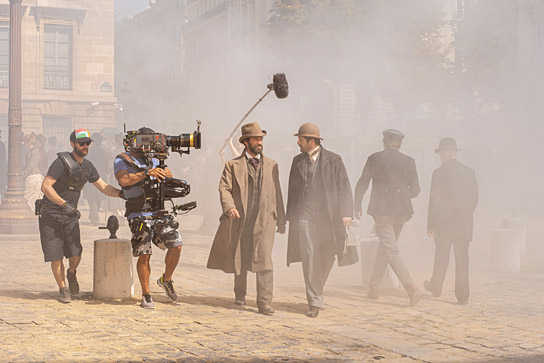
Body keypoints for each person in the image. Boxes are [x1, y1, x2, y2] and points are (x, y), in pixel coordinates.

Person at [207, 122, 286, 315]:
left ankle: (265, 302)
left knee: (264, 258)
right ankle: (240, 293)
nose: (260, 142)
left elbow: (278, 193)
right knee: (240, 255)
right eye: (256, 139)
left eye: (261, 139)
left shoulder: (272, 165)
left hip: (266, 219)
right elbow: (224, 188)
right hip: (241, 218)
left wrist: (281, 219)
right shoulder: (232, 166)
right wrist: (230, 207)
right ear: (246, 142)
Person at [39, 129, 123, 303]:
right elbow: (46, 187)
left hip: (70, 216)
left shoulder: (88, 166)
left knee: (75, 253)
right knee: (56, 255)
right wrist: (63, 204)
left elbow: (103, 187)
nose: (85, 146)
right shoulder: (60, 163)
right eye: (81, 143)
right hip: (51, 214)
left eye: (88, 143)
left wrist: (123, 194)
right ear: (72, 144)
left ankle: (71, 273)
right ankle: (63, 289)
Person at [286, 123, 353, 318]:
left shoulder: (334, 160)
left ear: (311, 141)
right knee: (309, 255)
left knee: (328, 255)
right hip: (304, 216)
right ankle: (314, 301)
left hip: (328, 217)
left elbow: (344, 188)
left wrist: (346, 212)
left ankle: (316, 289)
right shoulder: (297, 161)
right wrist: (287, 218)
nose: (298, 143)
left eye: (301, 139)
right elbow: (292, 191)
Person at [114, 127, 183, 309]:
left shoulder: (153, 158)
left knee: (176, 245)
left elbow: (167, 175)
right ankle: (146, 293)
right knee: (145, 254)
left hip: (158, 210)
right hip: (138, 212)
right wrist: (146, 173)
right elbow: (124, 180)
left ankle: (166, 280)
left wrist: (165, 173)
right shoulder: (122, 160)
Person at [354, 129, 421, 306]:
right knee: (386, 247)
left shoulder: (375, 158)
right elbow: (416, 190)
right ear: (399, 144)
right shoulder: (409, 161)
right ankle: (374, 287)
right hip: (402, 211)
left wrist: (356, 204)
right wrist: (401, 196)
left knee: (390, 250)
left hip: (382, 210)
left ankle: (410, 287)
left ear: (384, 142)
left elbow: (363, 182)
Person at [425, 137, 479, 305]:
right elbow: (474, 198)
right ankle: (463, 295)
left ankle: (436, 286)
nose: (439, 156)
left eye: (440, 153)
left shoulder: (438, 173)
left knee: (442, 255)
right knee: (462, 258)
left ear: (445, 154)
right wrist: (465, 213)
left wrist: (431, 225)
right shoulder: (469, 172)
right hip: (464, 222)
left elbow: (434, 201)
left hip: (444, 223)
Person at [83, 132, 110, 225]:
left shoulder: (87, 153)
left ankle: (95, 218)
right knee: (97, 198)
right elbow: (108, 167)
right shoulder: (105, 153)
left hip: (89, 178)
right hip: (101, 178)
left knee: (92, 199)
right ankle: (94, 216)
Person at [23, 132, 44, 212]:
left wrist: (23, 175)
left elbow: (31, 166)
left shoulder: (35, 152)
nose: (24, 145)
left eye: (25, 142)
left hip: (34, 178)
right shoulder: (30, 152)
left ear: (28, 142)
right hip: (30, 177)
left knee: (32, 200)